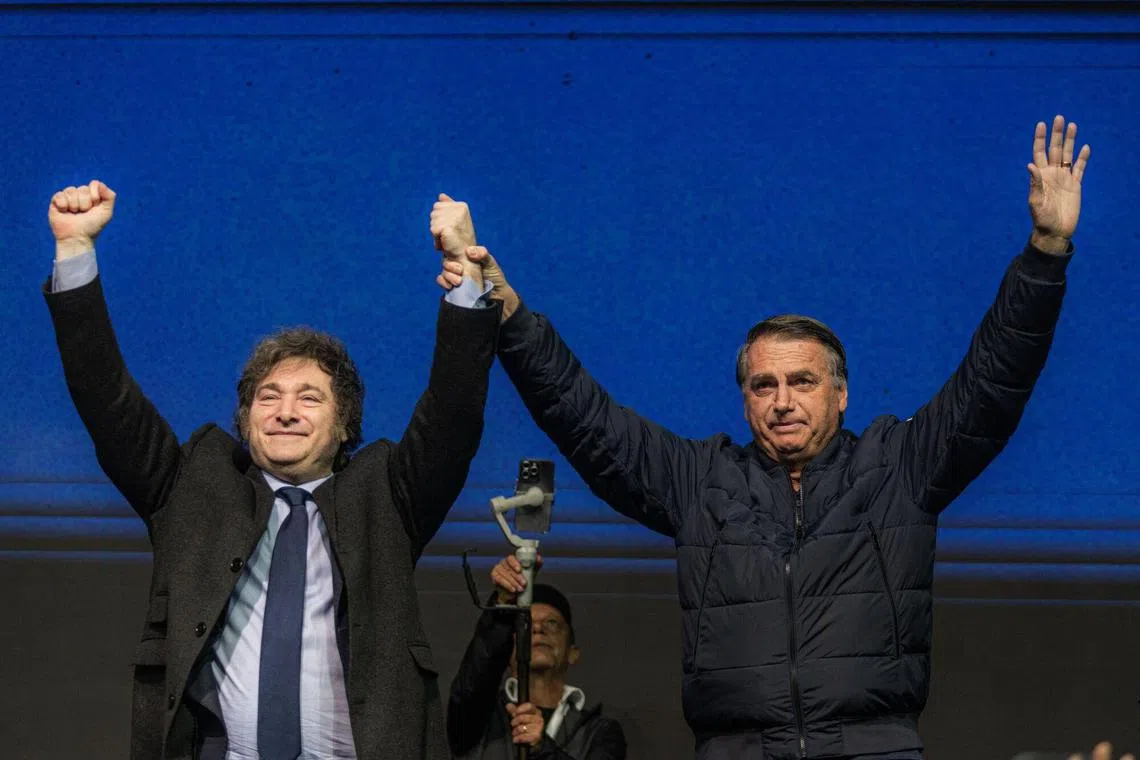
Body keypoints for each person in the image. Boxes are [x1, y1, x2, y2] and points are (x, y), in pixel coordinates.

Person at [436, 115, 1091, 759]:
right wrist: (505, 307)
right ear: (744, 398)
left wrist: (1045, 252)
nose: (782, 402)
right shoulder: (700, 481)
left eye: (802, 382)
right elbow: (582, 415)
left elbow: (993, 382)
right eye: (763, 385)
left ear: (841, 393)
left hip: (872, 746)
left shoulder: (897, 467)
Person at [43, 184, 498, 759]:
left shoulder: (387, 493)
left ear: (343, 424)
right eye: (268, 396)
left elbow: (453, 413)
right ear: (246, 416)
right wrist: (75, 250)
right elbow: (105, 397)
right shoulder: (193, 484)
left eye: (310, 398)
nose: (284, 411)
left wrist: (464, 271)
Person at [447, 554, 627, 759]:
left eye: (552, 623)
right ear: (509, 649)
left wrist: (541, 748)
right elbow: (473, 680)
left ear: (573, 652)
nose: (538, 628)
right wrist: (505, 602)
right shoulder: (479, 718)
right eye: (527, 623)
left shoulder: (600, 732)